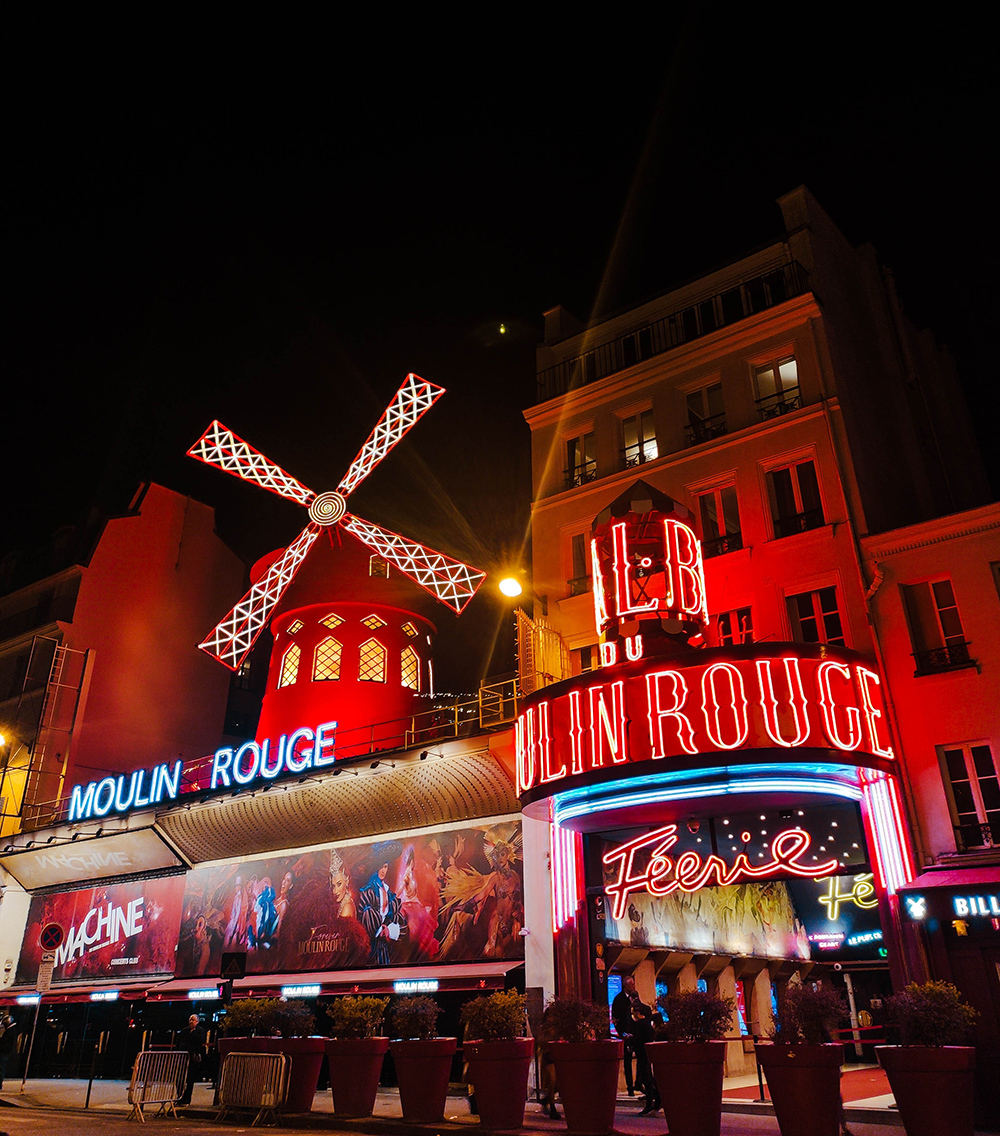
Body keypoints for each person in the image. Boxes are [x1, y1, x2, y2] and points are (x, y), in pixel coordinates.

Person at [611, 974, 640, 1095]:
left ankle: (639, 1082)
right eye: (631, 984)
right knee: (627, 1061)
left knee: (641, 1058)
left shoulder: (635, 998)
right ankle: (630, 1087)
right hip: (626, 1033)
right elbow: (615, 1018)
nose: (633, 986)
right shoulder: (619, 999)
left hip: (636, 1033)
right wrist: (622, 1033)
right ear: (626, 985)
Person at [178, 1014, 206, 1105]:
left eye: (193, 1020)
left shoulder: (200, 1031)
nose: (191, 1022)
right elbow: (180, 1042)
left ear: (197, 1022)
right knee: (180, 1078)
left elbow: (200, 1041)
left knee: (190, 1080)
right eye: (190, 1019)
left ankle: (187, 1099)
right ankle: (179, 1097)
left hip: (193, 1058)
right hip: (184, 1057)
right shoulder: (185, 1031)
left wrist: (193, 1032)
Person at [0, 1012, 18, 1089]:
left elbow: (5, 1042)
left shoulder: (10, 1031)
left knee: (1, 1068)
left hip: (4, 1052)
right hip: (4, 1051)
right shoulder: (11, 1030)